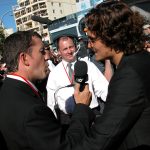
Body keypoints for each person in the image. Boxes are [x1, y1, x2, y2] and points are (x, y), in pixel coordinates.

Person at [73, 1, 150, 150]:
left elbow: (101, 138)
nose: (89, 46)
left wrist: (81, 109)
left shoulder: (129, 75)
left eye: (93, 40)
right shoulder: (140, 60)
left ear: (111, 35)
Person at [0, 30, 94, 150]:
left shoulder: (7, 91)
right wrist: (81, 107)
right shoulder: (32, 111)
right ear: (24, 59)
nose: (47, 56)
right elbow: (67, 146)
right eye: (41, 51)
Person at [46, 35, 108, 123]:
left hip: (92, 114)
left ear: (75, 46)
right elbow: (51, 104)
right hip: (69, 120)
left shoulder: (88, 65)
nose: (69, 51)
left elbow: (104, 89)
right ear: (59, 51)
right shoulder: (54, 74)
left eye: (71, 47)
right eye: (65, 49)